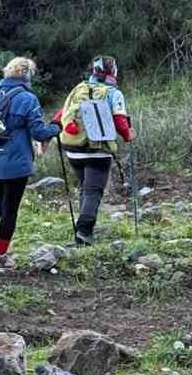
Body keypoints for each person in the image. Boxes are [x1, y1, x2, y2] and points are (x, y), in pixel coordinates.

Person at [0, 57, 59, 273]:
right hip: (15, 163)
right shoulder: (28, 99)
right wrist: (56, 128)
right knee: (10, 208)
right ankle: (0, 258)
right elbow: (38, 132)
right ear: (27, 76)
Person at [55, 54, 134, 245]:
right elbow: (120, 121)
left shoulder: (78, 88)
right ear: (113, 72)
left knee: (86, 189)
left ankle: (81, 233)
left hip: (73, 149)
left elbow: (60, 115)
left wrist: (47, 137)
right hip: (98, 151)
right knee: (93, 192)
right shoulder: (113, 93)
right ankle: (84, 232)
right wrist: (128, 136)